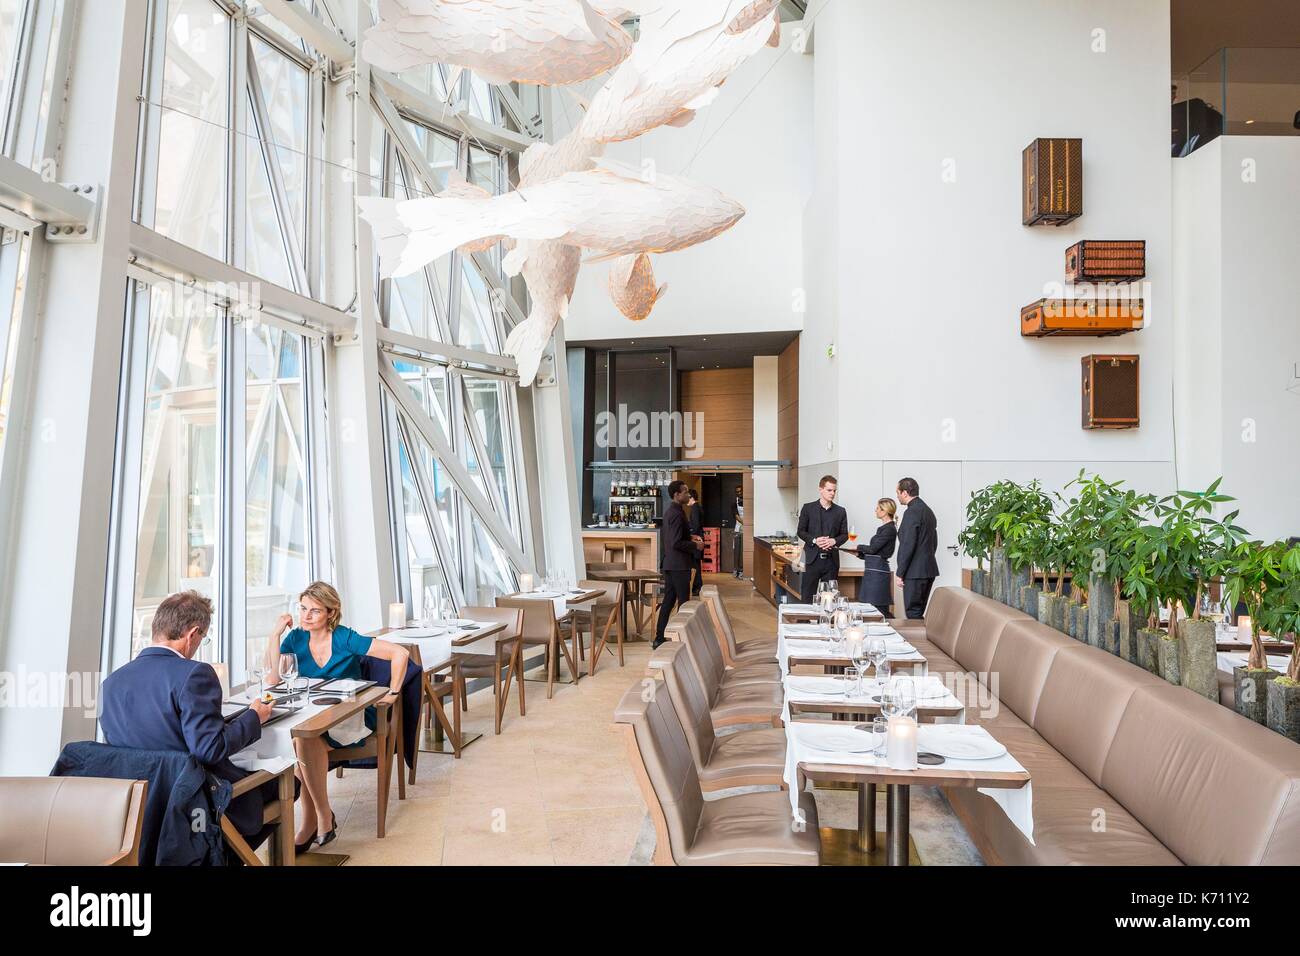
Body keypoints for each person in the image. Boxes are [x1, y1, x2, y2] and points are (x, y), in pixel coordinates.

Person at [99, 591, 276, 847]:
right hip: (194, 802)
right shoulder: (194, 674)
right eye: (202, 638)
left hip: (140, 808)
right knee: (286, 783)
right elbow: (209, 750)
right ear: (192, 634)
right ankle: (220, 854)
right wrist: (253, 717)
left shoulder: (110, 684)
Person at [267, 581, 411, 852]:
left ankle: (320, 818)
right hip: (314, 715)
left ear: (331, 613)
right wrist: (274, 635)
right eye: (303, 609)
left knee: (302, 742)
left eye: (315, 611)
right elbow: (274, 679)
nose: (306, 616)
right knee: (302, 741)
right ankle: (317, 820)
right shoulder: (295, 638)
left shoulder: (345, 637)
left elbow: (399, 654)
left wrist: (392, 692)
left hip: (351, 716)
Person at [654, 480, 701, 649]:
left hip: (672, 564)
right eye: (686, 492)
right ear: (677, 495)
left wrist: (690, 538)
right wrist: (695, 545)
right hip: (678, 565)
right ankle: (681, 640)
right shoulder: (675, 514)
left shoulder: (673, 512)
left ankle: (659, 638)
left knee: (668, 602)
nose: (688, 495)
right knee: (683, 603)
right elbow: (675, 542)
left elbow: (677, 537)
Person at [797, 475, 848, 602]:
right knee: (807, 596)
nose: (832, 493)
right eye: (829, 490)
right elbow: (801, 531)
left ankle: (825, 621)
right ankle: (805, 621)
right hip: (812, 560)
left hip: (831, 562)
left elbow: (844, 535)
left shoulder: (840, 511)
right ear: (821, 489)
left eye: (834, 491)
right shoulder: (808, 508)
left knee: (829, 599)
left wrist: (834, 541)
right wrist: (815, 540)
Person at [894, 477, 940, 619]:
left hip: (915, 573)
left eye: (898, 492)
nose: (897, 496)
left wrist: (900, 572)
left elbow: (908, 544)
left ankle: (915, 642)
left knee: (913, 613)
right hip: (928, 569)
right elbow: (933, 541)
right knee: (918, 612)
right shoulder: (928, 511)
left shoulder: (911, 512)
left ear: (905, 493)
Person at [854, 498, 899, 618]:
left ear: (884, 511)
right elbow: (877, 552)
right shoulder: (885, 528)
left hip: (878, 573)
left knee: (878, 607)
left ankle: (891, 631)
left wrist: (858, 547)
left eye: (878, 508)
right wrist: (860, 554)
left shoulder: (889, 529)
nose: (876, 510)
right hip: (874, 570)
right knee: (871, 607)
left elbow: (873, 549)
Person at [687, 487, 705, 595]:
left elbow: (696, 525)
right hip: (699, 537)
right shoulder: (698, 507)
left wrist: (692, 535)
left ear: (692, 498)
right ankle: (697, 586)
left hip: (697, 538)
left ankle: (697, 587)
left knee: (695, 564)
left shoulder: (694, 508)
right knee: (696, 563)